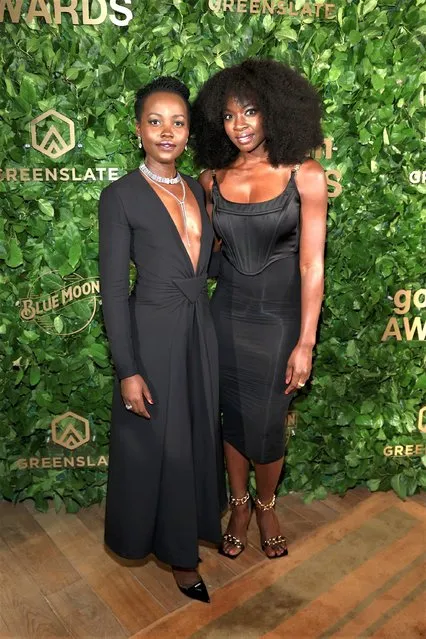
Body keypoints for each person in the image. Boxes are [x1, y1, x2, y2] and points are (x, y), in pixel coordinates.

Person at [192, 59, 328, 560]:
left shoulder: (305, 175)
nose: (240, 125)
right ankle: (239, 504)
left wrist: (306, 342)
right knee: (231, 418)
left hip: (277, 322)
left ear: (272, 112)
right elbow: (209, 254)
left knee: (267, 421)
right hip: (223, 312)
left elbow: (312, 266)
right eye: (229, 116)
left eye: (250, 111)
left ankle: (267, 503)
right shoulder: (211, 180)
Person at [98, 77, 226, 603]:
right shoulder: (120, 195)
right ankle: (179, 559)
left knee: (194, 441)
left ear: (189, 131)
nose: (166, 132)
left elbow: (208, 262)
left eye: (177, 122)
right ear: (138, 130)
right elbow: (111, 290)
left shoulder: (198, 188)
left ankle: (188, 535)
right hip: (151, 334)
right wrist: (128, 368)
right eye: (155, 121)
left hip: (199, 330)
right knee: (161, 448)